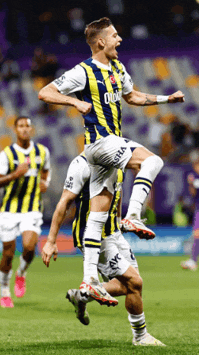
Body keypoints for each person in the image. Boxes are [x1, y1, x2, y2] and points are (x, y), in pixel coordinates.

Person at [38, 17, 185, 305]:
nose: (119, 39)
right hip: (99, 143)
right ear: (101, 41)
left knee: (98, 217)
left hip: (109, 149)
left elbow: (133, 97)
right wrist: (75, 102)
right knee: (152, 161)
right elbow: (45, 92)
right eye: (115, 35)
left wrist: (167, 99)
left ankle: (89, 282)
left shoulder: (118, 68)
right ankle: (133, 215)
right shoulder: (84, 71)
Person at [42, 152, 165, 346]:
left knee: (130, 287)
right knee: (135, 282)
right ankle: (140, 337)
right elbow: (64, 202)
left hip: (113, 233)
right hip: (93, 237)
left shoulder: (117, 158)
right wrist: (50, 241)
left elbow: (117, 194)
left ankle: (81, 295)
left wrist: (119, 223)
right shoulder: (81, 164)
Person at [0, 116, 51, 308]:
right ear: (15, 130)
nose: (24, 129)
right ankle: (4, 291)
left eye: (27, 126)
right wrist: (15, 175)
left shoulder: (42, 152)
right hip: (9, 210)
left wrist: (45, 183)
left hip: (32, 209)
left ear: (32, 129)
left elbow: (46, 171)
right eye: (21, 126)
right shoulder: (6, 155)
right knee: (7, 254)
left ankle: (21, 274)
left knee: (29, 246)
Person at [181, 151, 199, 271]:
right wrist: (191, 184)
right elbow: (192, 193)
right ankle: (192, 260)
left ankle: (193, 261)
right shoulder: (194, 176)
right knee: (196, 233)